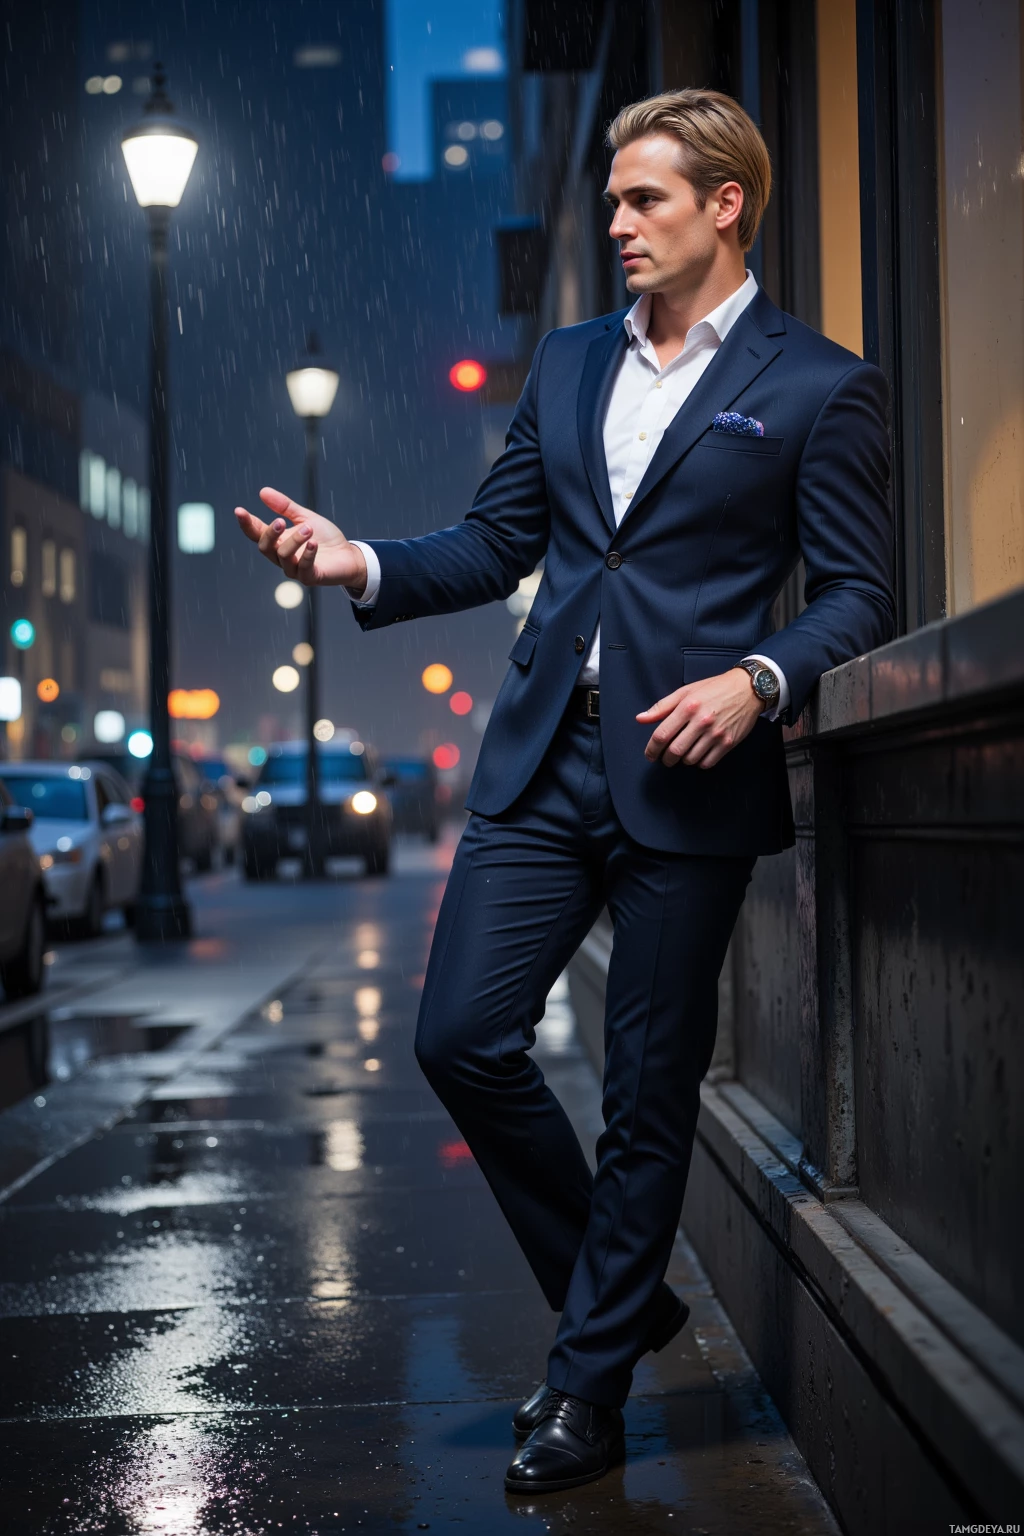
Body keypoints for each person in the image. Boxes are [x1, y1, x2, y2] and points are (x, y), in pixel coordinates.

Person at [236, 88, 894, 1496]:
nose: (618, 223)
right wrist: (360, 564)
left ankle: (583, 1390)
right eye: (610, 199)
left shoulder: (817, 386)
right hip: (544, 760)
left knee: (650, 1099)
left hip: (688, 769)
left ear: (726, 206)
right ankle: (622, 1289)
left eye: (644, 198)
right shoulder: (574, 359)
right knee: (460, 1034)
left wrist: (760, 681)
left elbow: (858, 594)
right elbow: (495, 543)